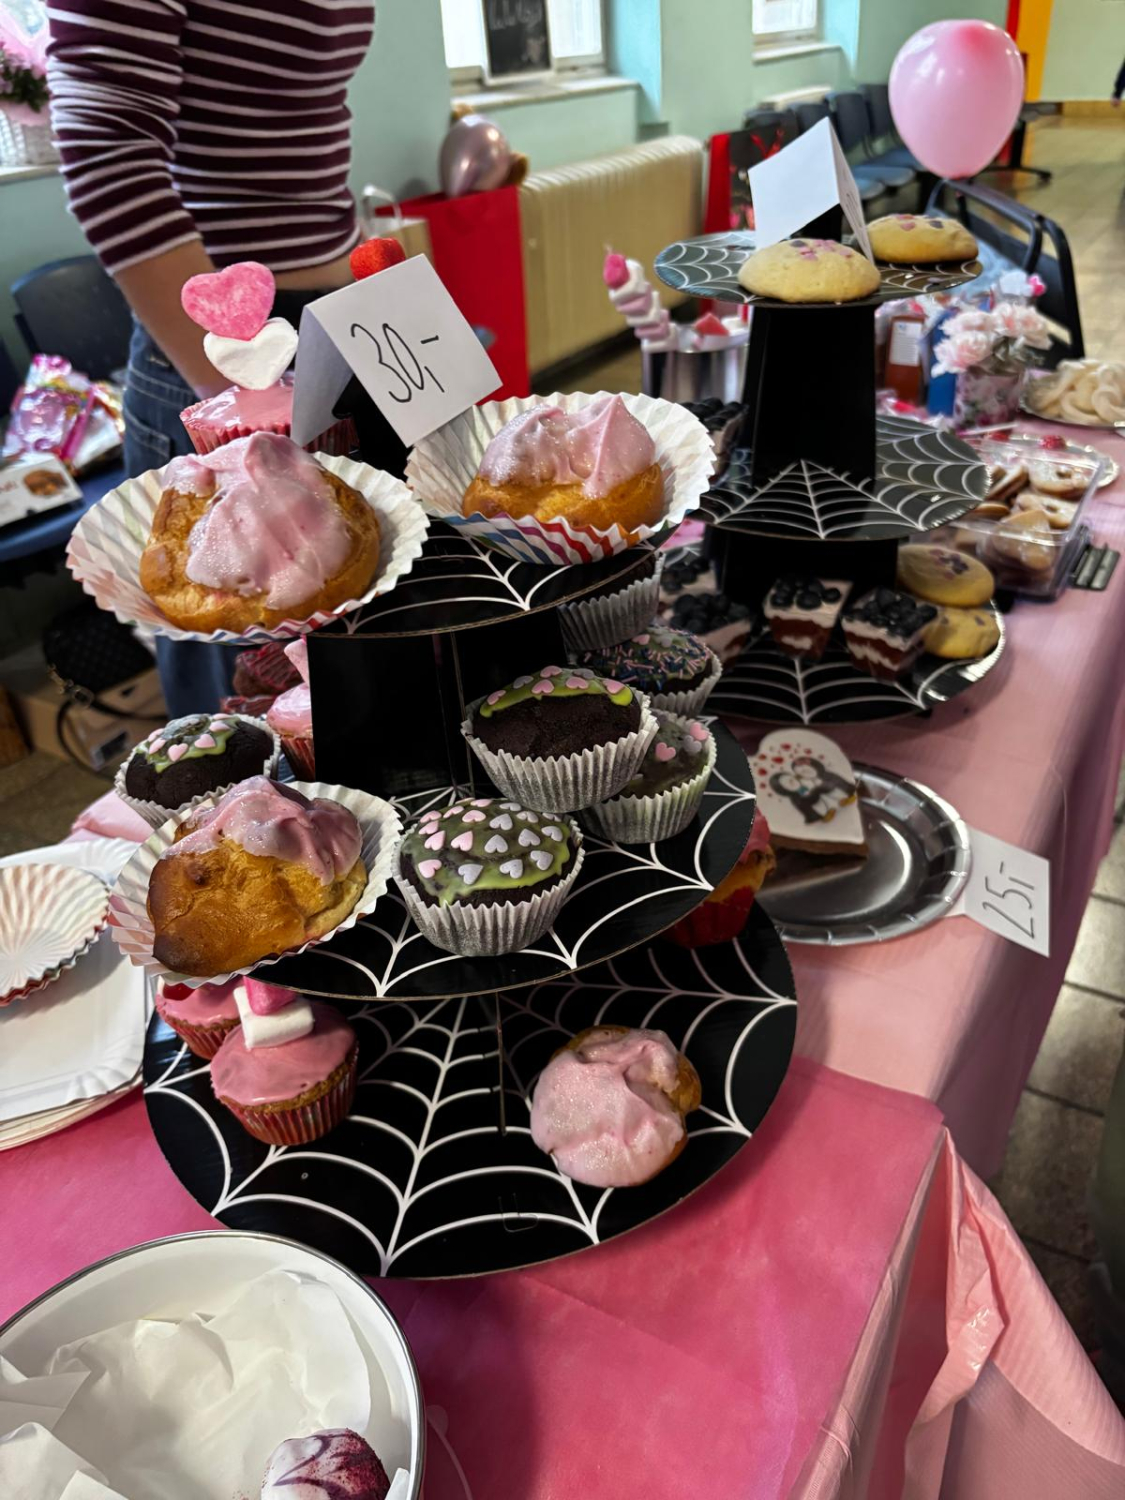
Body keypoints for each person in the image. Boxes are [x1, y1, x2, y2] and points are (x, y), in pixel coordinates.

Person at [46, 1, 377, 714]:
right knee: (247, 699)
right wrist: (241, 392)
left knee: (353, 659)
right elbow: (107, 152)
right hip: (223, 349)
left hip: (332, 325)